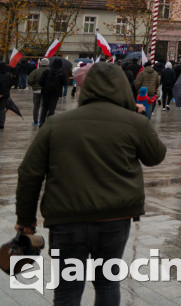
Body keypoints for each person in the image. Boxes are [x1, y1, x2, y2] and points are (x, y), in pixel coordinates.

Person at [15, 62, 167, 305]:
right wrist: (138, 117)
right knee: (107, 283)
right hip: (114, 219)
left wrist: (25, 220)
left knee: (67, 289)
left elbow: (29, 173)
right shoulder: (133, 122)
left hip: (66, 220)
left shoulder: (55, 124)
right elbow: (156, 156)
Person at [39, 62, 67, 127]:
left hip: (45, 93)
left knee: (44, 108)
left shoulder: (46, 71)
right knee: (52, 109)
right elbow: (65, 83)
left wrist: (45, 86)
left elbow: (40, 82)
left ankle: (42, 122)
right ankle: (49, 123)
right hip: (55, 93)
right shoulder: (61, 73)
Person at [27, 58, 48, 125]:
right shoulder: (50, 71)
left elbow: (29, 80)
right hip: (46, 91)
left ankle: (35, 121)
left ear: (40, 63)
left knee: (36, 106)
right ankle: (43, 120)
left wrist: (33, 85)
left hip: (36, 91)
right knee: (44, 107)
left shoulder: (35, 71)